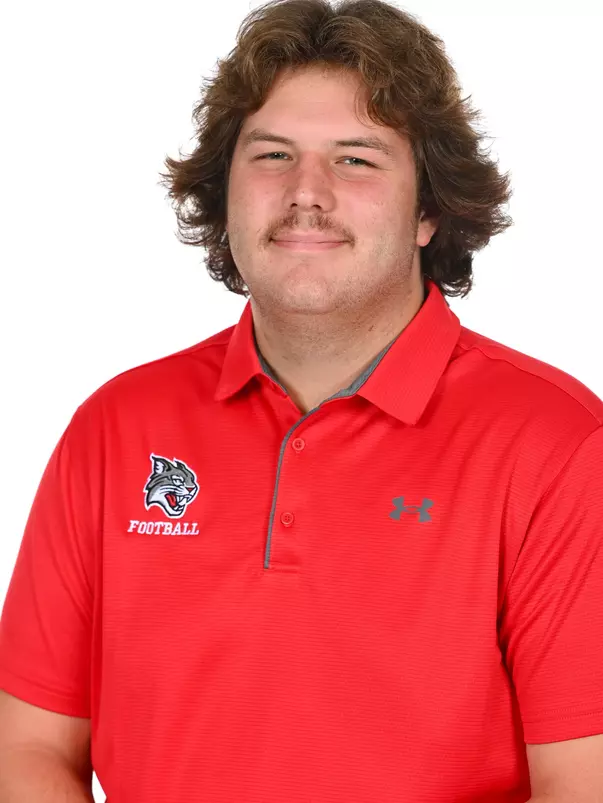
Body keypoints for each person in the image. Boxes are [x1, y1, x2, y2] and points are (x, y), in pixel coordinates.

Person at [1, 0, 602, 800]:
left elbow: (582, 780)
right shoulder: (117, 425)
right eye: (273, 154)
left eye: (356, 159)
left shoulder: (557, 444)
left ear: (428, 210)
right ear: (225, 193)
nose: (306, 192)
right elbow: (29, 745)